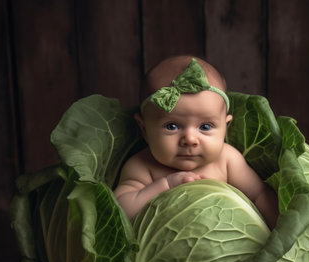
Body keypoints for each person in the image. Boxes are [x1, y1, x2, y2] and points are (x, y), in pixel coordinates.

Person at [114, 55, 279, 228]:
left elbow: (259, 195)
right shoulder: (142, 167)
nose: (190, 139)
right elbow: (120, 211)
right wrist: (165, 184)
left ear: (226, 127)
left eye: (205, 127)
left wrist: (281, 230)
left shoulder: (228, 160)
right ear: (144, 129)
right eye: (171, 126)